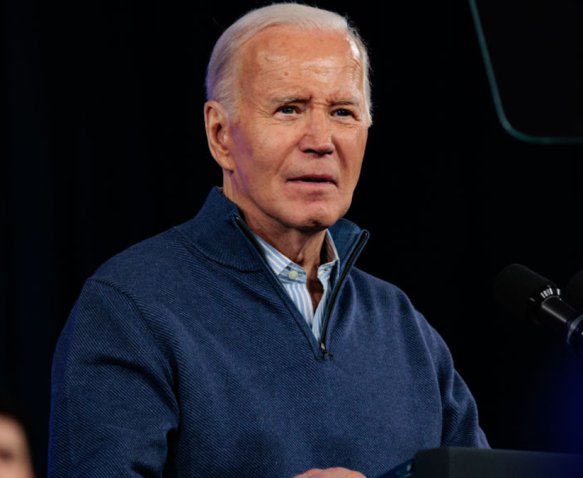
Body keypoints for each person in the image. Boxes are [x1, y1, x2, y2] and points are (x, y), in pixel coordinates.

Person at [48, 3, 489, 477]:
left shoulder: (403, 328)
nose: (321, 139)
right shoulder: (131, 307)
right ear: (219, 134)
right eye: (289, 109)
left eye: (343, 111)